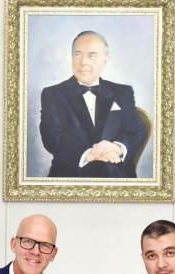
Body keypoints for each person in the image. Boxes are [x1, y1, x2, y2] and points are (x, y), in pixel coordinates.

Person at [39, 30, 147, 178]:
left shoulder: (123, 92)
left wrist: (116, 148)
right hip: (71, 176)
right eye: (77, 54)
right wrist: (89, 154)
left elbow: (135, 131)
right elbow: (52, 138)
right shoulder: (52, 94)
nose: (83, 62)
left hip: (116, 176)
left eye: (92, 55)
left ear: (105, 60)